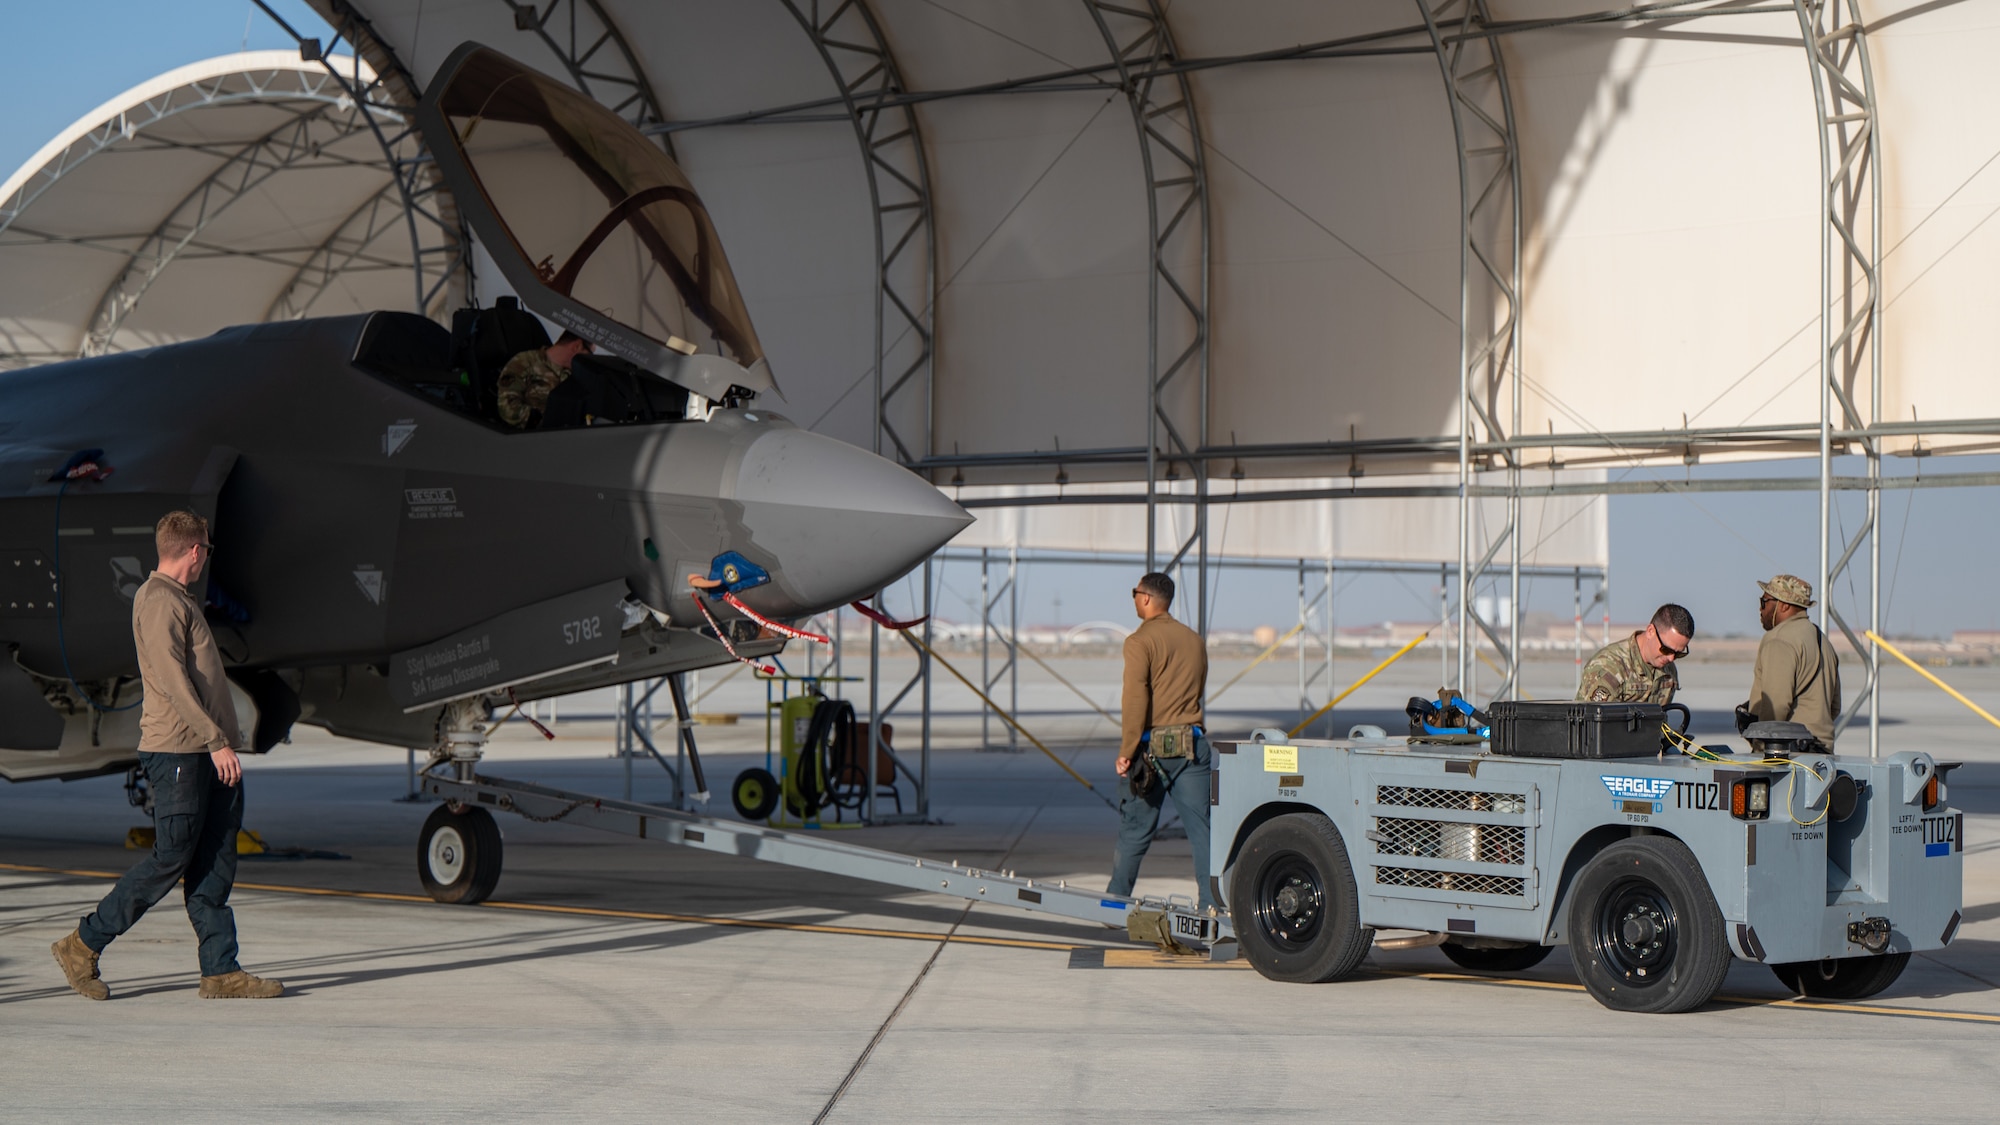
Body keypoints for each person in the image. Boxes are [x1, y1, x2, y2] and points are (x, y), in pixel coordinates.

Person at [51, 511, 282, 1000]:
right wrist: (215, 740)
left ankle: (220, 971)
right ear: (195, 551)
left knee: (216, 856)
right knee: (171, 858)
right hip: (179, 751)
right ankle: (82, 944)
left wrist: (219, 743)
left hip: (207, 752)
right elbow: (174, 682)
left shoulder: (179, 599)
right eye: (206, 550)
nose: (206, 558)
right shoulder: (159, 601)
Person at [1107, 572, 1214, 912]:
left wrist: (1127, 751)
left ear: (1146, 598)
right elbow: (1197, 688)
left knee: (1135, 831)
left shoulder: (1139, 641)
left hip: (1152, 751)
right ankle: (1212, 907)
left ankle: (1114, 906)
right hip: (1192, 747)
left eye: (1135, 593)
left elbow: (1135, 699)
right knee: (1204, 832)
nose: (1134, 599)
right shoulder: (1194, 641)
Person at [1739, 574, 1840, 746]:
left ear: (1784, 605)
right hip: (1821, 751)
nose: (1761, 609)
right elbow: (1834, 707)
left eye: (1764, 602)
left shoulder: (1778, 639)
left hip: (1786, 754)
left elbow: (1775, 707)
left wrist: (1761, 748)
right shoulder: (1823, 641)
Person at [1576, 604, 1694, 705]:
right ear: (1651, 632)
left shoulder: (1668, 670)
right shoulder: (1609, 667)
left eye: (1679, 653)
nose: (1671, 658)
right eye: (1666, 649)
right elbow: (1592, 721)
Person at [495, 330, 594, 428]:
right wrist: (545, 423)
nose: (588, 359)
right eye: (589, 353)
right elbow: (507, 408)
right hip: (526, 434)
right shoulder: (524, 362)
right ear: (577, 346)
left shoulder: (577, 376)